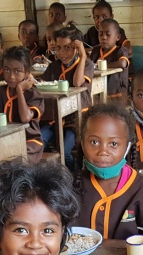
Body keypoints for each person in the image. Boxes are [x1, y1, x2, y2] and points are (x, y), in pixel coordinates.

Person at [74, 104, 143, 239]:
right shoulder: (70, 187)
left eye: (113, 144)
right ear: (82, 143)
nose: (103, 151)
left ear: (127, 147)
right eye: (94, 142)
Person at [40, 27, 93, 169]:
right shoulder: (54, 66)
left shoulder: (87, 64)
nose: (62, 53)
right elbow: (43, 84)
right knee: (40, 141)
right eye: (58, 48)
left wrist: (82, 56)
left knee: (65, 150)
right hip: (54, 118)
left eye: (67, 48)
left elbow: (77, 83)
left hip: (75, 120)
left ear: (76, 48)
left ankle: (72, 177)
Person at [90, 18, 129, 99]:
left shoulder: (120, 51)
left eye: (108, 34)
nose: (104, 37)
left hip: (116, 94)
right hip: (97, 93)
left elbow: (122, 63)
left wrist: (101, 66)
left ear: (117, 37)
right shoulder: (96, 50)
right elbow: (90, 65)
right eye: (100, 34)